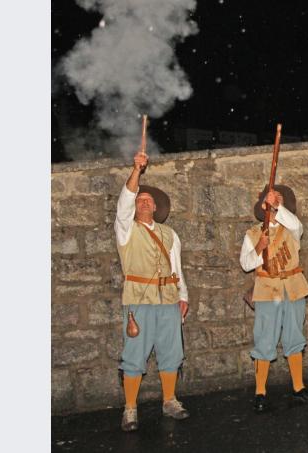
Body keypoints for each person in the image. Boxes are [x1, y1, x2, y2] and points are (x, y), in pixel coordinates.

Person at [115, 150, 190, 432]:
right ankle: (130, 409)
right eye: (140, 199)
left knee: (172, 352)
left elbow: (177, 267)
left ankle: (170, 401)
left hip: (169, 300)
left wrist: (183, 297)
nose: (144, 202)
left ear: (156, 207)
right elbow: (124, 203)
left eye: (148, 200)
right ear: (134, 206)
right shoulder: (125, 229)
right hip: (138, 301)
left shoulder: (170, 234)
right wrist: (137, 170)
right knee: (134, 355)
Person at [240, 184, 308, 413]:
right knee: (265, 340)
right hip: (266, 289)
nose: (274, 204)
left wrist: (278, 206)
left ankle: (298, 388)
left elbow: (296, 225)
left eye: (279, 200)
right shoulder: (252, 233)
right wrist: (259, 247)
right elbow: (246, 264)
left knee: (295, 337)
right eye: (271, 200)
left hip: (293, 287)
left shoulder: (292, 227)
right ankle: (260, 392)